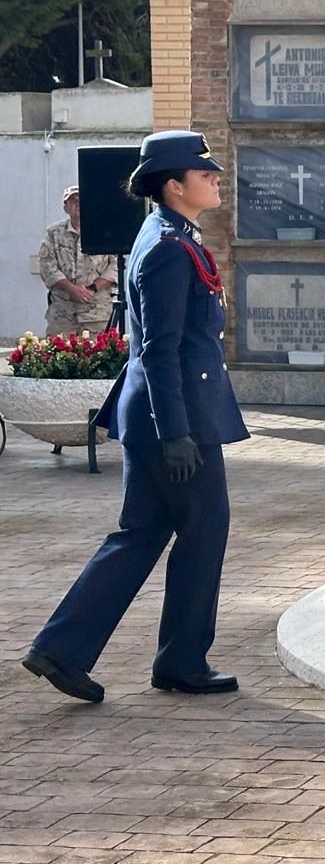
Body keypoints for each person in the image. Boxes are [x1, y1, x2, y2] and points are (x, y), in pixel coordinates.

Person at [21, 132, 248, 704]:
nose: (215, 180)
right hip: (176, 420)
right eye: (205, 174)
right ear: (174, 185)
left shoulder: (166, 235)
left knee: (141, 532)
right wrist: (175, 433)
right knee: (203, 529)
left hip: (161, 415)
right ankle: (181, 662)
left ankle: (62, 649)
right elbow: (159, 349)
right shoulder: (170, 246)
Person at [38, 184, 118, 335]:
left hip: (96, 313)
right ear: (65, 207)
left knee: (99, 357)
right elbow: (47, 266)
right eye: (73, 201)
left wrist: (93, 288)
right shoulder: (53, 233)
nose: (78, 204)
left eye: (82, 200)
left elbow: (116, 265)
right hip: (63, 314)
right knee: (59, 356)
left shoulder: (104, 231)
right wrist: (71, 289)